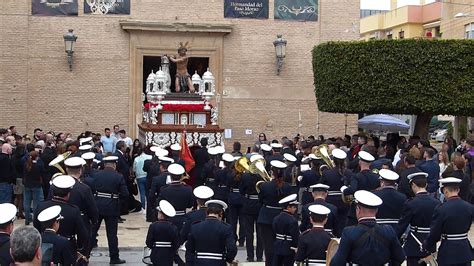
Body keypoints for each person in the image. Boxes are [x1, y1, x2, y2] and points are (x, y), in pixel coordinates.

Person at [330, 190, 405, 265]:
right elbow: (400, 258)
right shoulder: (389, 231)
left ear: (358, 210)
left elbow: (338, 262)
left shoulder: (349, 232)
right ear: (376, 211)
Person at [34, 174, 89, 262]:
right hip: (68, 247)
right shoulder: (73, 210)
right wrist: (79, 248)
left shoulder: (41, 206)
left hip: (44, 246)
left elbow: (36, 228)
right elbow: (82, 234)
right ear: (68, 193)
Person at [423, 177, 474, 266]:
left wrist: (426, 245)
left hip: (448, 251)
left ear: (445, 191)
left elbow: (435, 232)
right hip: (465, 250)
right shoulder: (469, 207)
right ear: (458, 190)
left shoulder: (441, 209)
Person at [91, 156, 129, 264]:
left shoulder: (96, 175)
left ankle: (84, 255)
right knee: (112, 234)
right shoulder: (118, 176)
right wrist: (119, 202)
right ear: (114, 165)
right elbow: (125, 194)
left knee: (92, 232)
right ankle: (114, 257)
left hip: (97, 205)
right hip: (112, 207)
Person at [397, 172, 439, 266]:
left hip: (414, 243)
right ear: (426, 185)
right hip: (431, 242)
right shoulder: (436, 202)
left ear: (413, 185)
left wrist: (395, 239)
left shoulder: (411, 203)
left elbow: (402, 225)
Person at [257, 160, 291, 266]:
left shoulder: (265, 186)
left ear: (272, 172)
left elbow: (260, 200)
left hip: (266, 217)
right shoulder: (287, 187)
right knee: (281, 243)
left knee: (268, 246)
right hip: (282, 217)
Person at [185, 200, 237, 266]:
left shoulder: (195, 226)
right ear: (221, 213)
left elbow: (189, 249)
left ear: (207, 212)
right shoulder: (226, 228)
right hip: (218, 262)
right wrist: (228, 259)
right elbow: (232, 249)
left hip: (199, 262)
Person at [342, 151, 380, 226]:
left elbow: (352, 190)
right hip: (372, 207)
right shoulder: (376, 177)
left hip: (358, 207)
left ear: (360, 162)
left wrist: (344, 190)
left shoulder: (356, 176)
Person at [320, 148, 352, 236]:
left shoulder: (327, 173)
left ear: (333, 160)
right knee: (342, 223)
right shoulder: (349, 173)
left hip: (330, 201)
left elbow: (321, 186)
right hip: (344, 201)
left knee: (330, 224)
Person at [240, 154, 264, 262]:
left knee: (249, 232)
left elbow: (241, 190)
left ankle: (250, 256)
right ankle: (259, 256)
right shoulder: (263, 175)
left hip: (248, 204)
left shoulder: (245, 176)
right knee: (260, 232)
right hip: (259, 204)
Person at [158, 163, 194, 234]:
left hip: (169, 219)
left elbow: (160, 203)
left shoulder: (164, 189)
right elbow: (190, 205)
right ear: (181, 176)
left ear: (170, 176)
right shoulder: (188, 189)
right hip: (183, 218)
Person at [145, 200, 180, 266]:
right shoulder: (173, 227)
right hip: (168, 255)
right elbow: (176, 244)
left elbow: (148, 242)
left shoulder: (153, 226)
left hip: (156, 254)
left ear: (161, 214)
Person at [272, 194, 300, 266]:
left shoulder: (276, 218)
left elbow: (274, 232)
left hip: (277, 245)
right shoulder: (293, 220)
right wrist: (297, 246)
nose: (295, 209)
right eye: (294, 207)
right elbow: (295, 236)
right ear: (288, 207)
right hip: (289, 247)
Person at [148, 156, 174, 222]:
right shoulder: (174, 178)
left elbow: (152, 195)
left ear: (161, 167)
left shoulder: (156, 179)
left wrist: (152, 205)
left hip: (160, 204)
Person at [23, 150, 44, 225]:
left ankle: (27, 219)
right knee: (36, 203)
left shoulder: (26, 164)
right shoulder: (39, 165)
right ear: (37, 157)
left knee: (26, 202)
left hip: (27, 185)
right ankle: (35, 219)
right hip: (36, 185)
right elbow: (42, 174)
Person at [133, 146, 152, 212]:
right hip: (147, 176)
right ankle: (149, 207)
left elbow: (134, 169)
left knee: (142, 192)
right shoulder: (150, 157)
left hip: (139, 177)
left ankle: (143, 208)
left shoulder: (136, 159)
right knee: (148, 192)